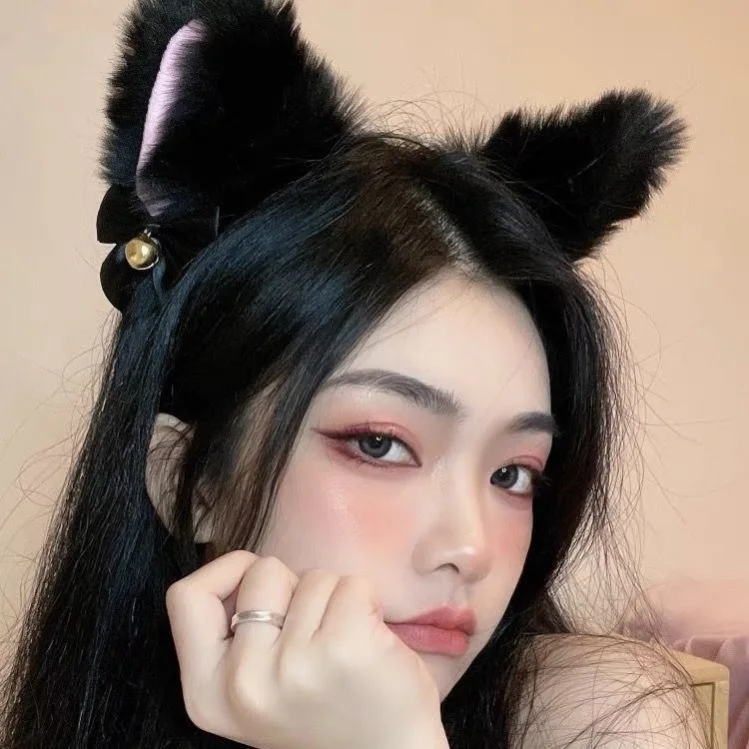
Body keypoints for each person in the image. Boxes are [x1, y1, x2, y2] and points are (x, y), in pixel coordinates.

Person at [0, 0, 709, 747]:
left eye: (514, 474)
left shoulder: (604, 717)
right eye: (380, 444)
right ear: (192, 481)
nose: (469, 548)